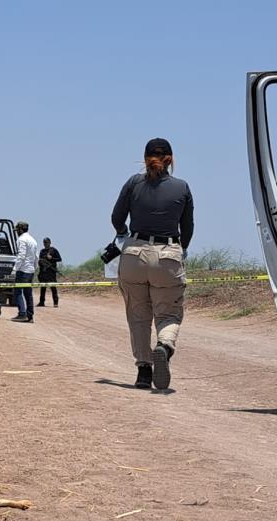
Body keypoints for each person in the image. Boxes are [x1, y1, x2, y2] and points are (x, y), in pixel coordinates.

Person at [111, 138, 194, 391]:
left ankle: (144, 372)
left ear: (145, 158)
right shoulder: (182, 187)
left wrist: (123, 232)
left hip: (134, 254)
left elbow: (116, 217)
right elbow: (187, 227)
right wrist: (182, 248)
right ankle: (164, 345)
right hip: (167, 254)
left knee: (138, 316)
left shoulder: (133, 183)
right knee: (168, 313)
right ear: (171, 158)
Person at [10, 221, 39, 323]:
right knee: (28, 293)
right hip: (30, 270)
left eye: (17, 230)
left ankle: (22, 314)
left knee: (17, 291)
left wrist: (15, 269)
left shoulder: (21, 239)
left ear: (20, 229)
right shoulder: (33, 240)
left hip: (22, 270)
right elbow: (36, 257)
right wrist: (34, 268)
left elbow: (21, 256)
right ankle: (30, 316)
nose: (16, 232)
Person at [37, 237, 62, 308]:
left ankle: (55, 302)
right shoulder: (42, 251)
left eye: (47, 242)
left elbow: (59, 259)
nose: (45, 244)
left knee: (53, 287)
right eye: (44, 243)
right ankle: (41, 302)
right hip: (43, 272)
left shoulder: (53, 250)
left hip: (51, 272)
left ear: (50, 243)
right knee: (43, 288)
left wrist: (51, 258)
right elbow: (40, 260)